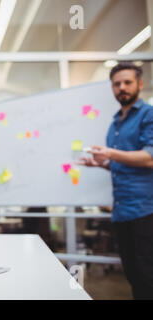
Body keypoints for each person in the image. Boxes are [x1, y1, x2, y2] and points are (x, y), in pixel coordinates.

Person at [78, 62, 153, 299]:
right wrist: (103, 163)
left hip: (145, 210)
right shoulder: (115, 123)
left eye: (127, 82)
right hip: (121, 212)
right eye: (117, 83)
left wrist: (110, 153)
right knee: (131, 274)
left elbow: (150, 158)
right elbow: (127, 162)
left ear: (140, 84)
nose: (122, 87)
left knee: (147, 276)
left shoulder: (148, 115)